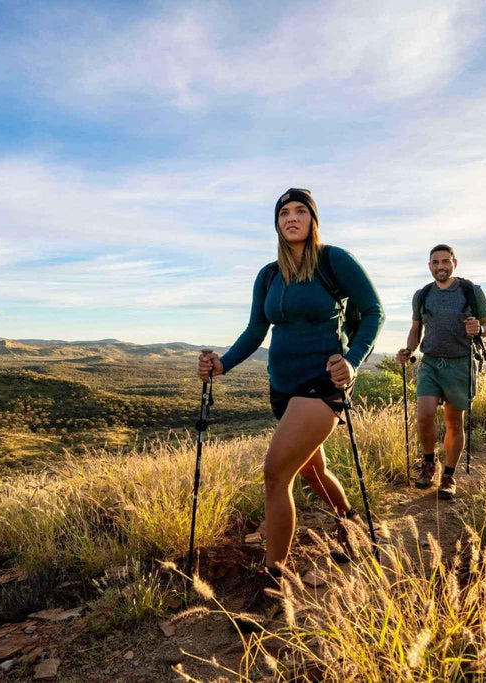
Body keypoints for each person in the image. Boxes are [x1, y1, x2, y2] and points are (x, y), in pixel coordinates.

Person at [197, 188, 384, 621]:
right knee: (313, 470)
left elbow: (373, 311)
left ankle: (274, 579)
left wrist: (352, 363)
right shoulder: (268, 275)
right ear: (277, 222)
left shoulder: (334, 260)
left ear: (313, 219)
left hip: (323, 382)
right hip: (281, 386)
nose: (292, 217)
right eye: (284, 212)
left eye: (301, 211)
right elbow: (254, 330)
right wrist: (221, 364)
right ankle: (349, 523)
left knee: (275, 472)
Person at [396, 244, 486, 500]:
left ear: (455, 263)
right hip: (430, 362)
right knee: (424, 416)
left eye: (445, 261)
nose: (441, 266)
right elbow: (416, 329)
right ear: (429, 266)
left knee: (453, 423)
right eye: (435, 262)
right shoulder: (422, 294)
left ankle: (448, 477)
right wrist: (408, 349)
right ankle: (430, 464)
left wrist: (479, 330)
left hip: (459, 363)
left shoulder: (470, 291)